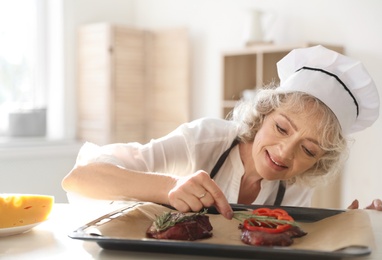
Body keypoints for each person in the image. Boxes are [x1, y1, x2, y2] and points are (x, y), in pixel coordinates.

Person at [62, 45, 382, 219]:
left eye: (309, 150)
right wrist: (167, 187)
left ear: (320, 162)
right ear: (263, 114)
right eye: (281, 128)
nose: (286, 153)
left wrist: (350, 226)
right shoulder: (203, 140)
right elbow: (80, 179)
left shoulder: (294, 188)